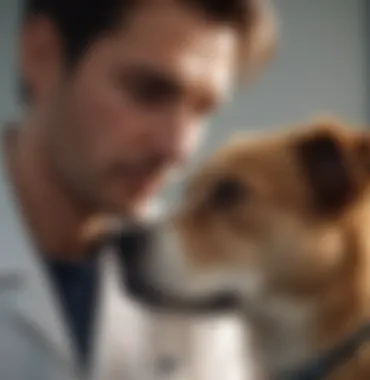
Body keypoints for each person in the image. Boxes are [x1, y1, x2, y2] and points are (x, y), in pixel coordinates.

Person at [0, 0, 276, 379]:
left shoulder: (196, 283)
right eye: (149, 91)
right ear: (41, 55)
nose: (179, 148)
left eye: (202, 109)